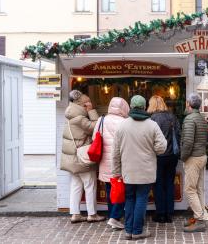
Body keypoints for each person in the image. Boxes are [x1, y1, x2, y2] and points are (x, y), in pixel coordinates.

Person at [112, 95, 167, 240]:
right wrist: (152, 149)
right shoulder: (152, 125)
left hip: (128, 171)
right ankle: (137, 231)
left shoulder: (122, 125)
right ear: (144, 107)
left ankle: (128, 231)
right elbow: (162, 147)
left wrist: (116, 172)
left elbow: (115, 153)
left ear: (130, 107)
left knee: (129, 199)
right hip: (146, 170)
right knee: (141, 198)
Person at [60, 90, 105, 223]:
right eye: (87, 102)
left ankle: (75, 214)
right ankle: (92, 214)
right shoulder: (80, 119)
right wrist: (91, 110)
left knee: (75, 185)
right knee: (90, 185)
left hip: (72, 159)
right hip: (81, 158)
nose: (89, 103)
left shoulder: (70, 117)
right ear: (81, 104)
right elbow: (97, 127)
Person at [92, 97, 130, 230]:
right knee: (120, 189)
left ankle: (112, 216)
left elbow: (94, 138)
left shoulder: (101, 120)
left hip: (105, 161)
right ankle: (115, 218)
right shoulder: (125, 122)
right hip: (120, 161)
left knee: (109, 189)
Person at [181, 93, 208, 233]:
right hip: (202, 156)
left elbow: (188, 142)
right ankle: (199, 216)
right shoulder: (201, 118)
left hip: (193, 158)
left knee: (189, 189)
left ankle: (199, 219)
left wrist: (183, 156)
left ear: (189, 103)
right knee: (198, 189)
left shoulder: (189, 119)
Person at [148, 96, 181, 223]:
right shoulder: (172, 116)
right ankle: (169, 213)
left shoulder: (152, 118)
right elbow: (178, 134)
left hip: (158, 156)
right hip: (172, 155)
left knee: (158, 184)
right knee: (169, 183)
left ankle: (160, 213)